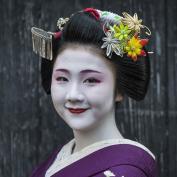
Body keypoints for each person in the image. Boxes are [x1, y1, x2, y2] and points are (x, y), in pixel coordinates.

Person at [30, 7, 158, 177]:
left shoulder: (123, 171)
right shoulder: (62, 157)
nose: (73, 95)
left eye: (91, 80)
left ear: (119, 89)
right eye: (62, 78)